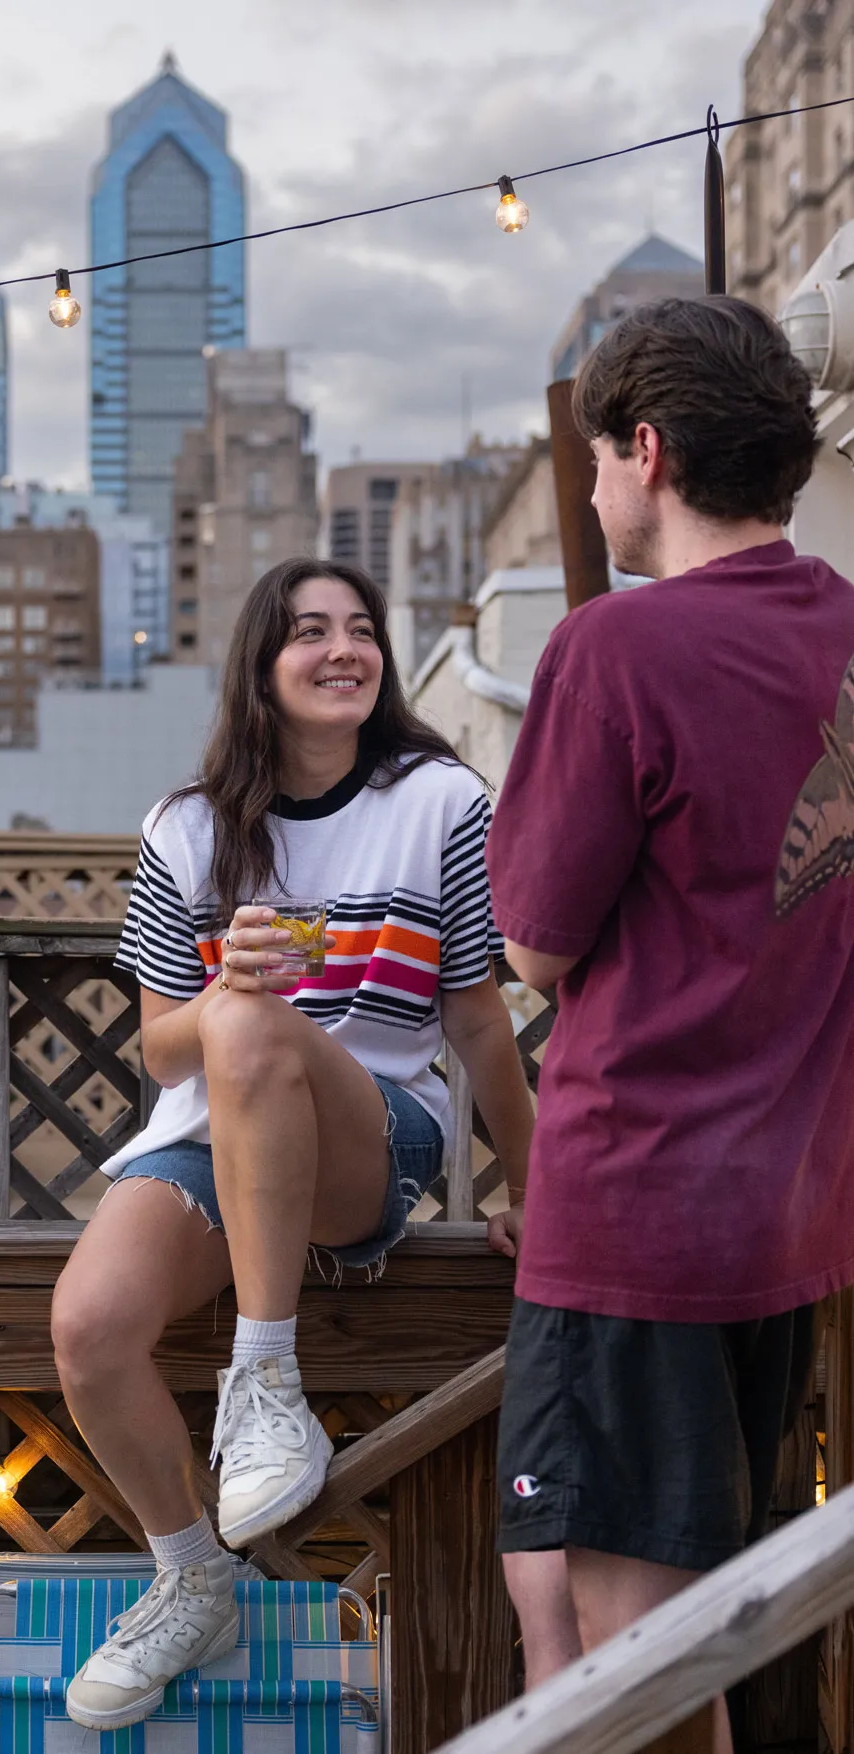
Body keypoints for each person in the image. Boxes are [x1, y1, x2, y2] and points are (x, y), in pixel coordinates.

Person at [51, 557, 538, 1730]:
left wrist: (540, 1185)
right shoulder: (186, 827)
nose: (342, 650)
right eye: (310, 631)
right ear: (261, 666)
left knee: (259, 1028)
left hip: (379, 1129)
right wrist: (222, 989)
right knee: (89, 1326)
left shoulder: (442, 804)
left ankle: (264, 1381)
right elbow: (161, 1050)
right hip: (218, 1125)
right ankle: (192, 1574)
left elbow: (475, 1013)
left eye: (361, 629)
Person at [487, 296, 854, 1749]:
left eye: (592, 460)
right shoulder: (840, 633)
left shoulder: (612, 655)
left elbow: (528, 941)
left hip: (635, 1212)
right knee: (585, 1615)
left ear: (646, 451)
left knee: (631, 1673)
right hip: (782, 1216)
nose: (586, 489)